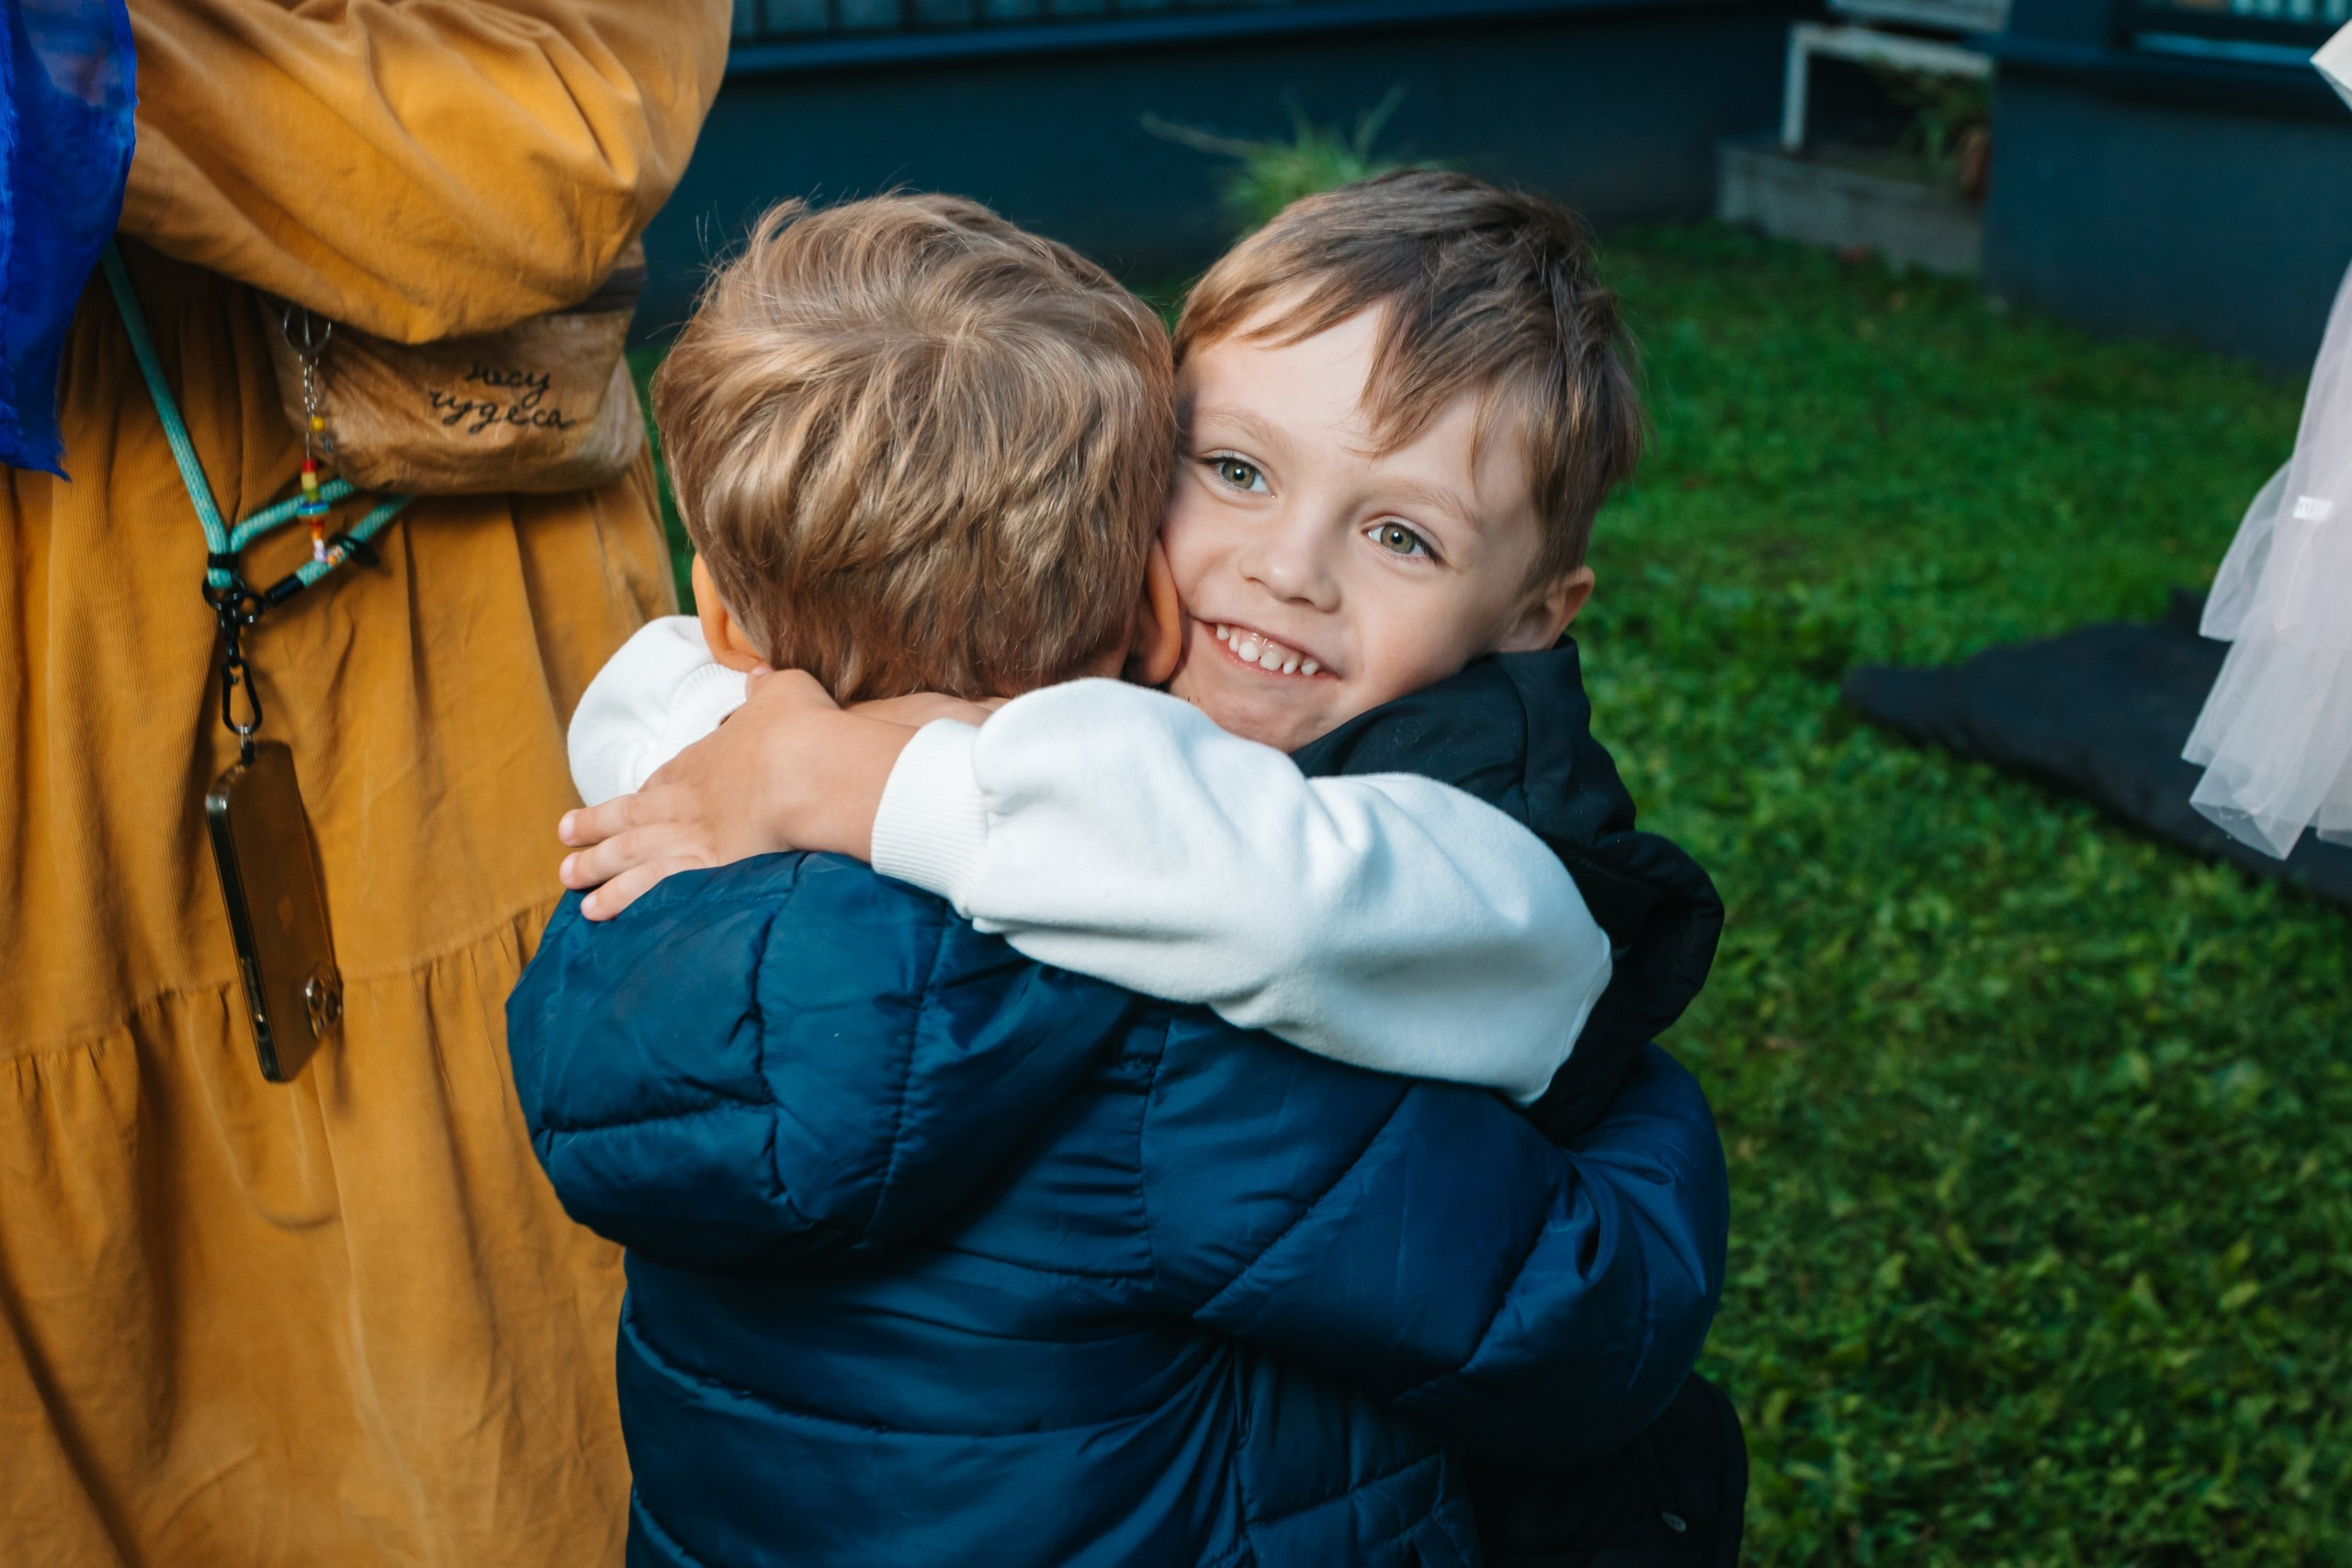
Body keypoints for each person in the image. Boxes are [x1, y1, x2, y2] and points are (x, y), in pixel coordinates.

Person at [512, 186, 1731, 1565]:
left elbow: (661, 688)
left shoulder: (676, 843)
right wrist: (1654, 1124)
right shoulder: (1155, 1034)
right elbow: (1581, 1301)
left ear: (1535, 613)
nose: (1287, 570)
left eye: (1401, 535)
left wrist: (820, 761)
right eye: (1236, 470)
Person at [0, 4, 729, 1563]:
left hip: (406, 640)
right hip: (43, 670)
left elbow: (563, 135)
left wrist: (76, 67)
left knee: (462, 1368)